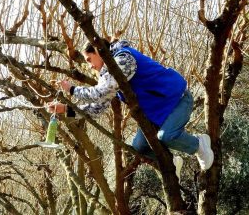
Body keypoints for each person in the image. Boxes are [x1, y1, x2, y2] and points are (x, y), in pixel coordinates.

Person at [48, 40, 214, 170]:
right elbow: (97, 108)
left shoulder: (123, 59)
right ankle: (171, 164)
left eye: (89, 60)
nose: (90, 66)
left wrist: (72, 90)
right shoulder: (108, 75)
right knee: (139, 147)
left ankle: (199, 144)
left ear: (98, 51)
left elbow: (100, 93)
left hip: (177, 99)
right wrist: (66, 110)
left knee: (167, 136)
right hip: (156, 113)